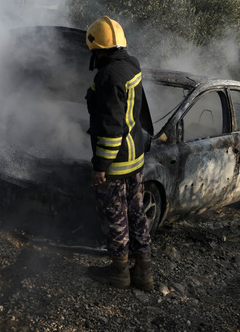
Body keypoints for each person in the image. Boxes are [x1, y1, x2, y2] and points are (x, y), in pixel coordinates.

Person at [84, 16, 154, 292]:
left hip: (116, 163)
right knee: (136, 211)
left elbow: (112, 129)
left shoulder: (108, 77)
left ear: (98, 48)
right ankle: (144, 272)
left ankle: (119, 273)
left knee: (115, 216)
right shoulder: (131, 65)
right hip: (135, 158)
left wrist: (100, 166)